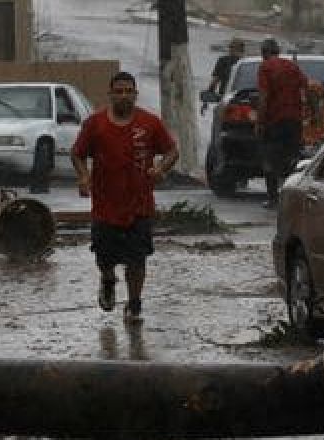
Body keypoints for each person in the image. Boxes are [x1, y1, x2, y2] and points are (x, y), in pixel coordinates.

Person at [71, 71, 179, 325]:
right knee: (104, 256)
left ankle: (134, 304)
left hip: (139, 204)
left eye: (128, 91)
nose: (123, 96)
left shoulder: (150, 123)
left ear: (135, 94)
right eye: (118, 91)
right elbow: (77, 154)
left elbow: (172, 150)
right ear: (110, 94)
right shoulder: (95, 124)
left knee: (137, 259)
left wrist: (161, 168)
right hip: (105, 205)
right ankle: (108, 280)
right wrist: (84, 177)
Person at [255, 38, 307, 208]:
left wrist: (259, 122)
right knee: (292, 158)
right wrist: (314, 113)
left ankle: (273, 199)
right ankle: (292, 197)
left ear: (264, 53)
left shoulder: (265, 67)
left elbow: (263, 97)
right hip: (294, 120)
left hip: (275, 121)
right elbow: (307, 87)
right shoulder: (292, 66)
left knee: (270, 159)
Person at [202, 38, 245, 114]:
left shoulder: (223, 61)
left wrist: (206, 101)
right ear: (243, 50)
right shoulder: (246, 63)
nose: (230, 50)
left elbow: (214, 82)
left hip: (225, 101)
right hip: (243, 102)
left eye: (231, 48)